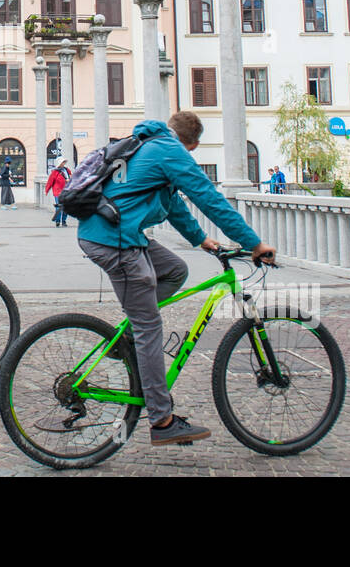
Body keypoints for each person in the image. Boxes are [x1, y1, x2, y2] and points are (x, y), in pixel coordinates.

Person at [77, 112, 275, 447]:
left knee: (175, 270)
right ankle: (162, 420)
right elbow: (208, 198)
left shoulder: (149, 145)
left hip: (114, 234)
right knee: (149, 326)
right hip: (114, 241)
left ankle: (125, 338)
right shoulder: (170, 151)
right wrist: (253, 243)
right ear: (193, 144)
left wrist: (200, 239)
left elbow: (172, 205)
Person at [46, 158, 71, 227]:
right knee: (59, 207)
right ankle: (57, 221)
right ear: (59, 163)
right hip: (58, 191)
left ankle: (63, 221)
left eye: (64, 162)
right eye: (62, 162)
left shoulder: (67, 170)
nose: (63, 164)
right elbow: (50, 182)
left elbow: (71, 177)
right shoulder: (55, 172)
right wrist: (47, 190)